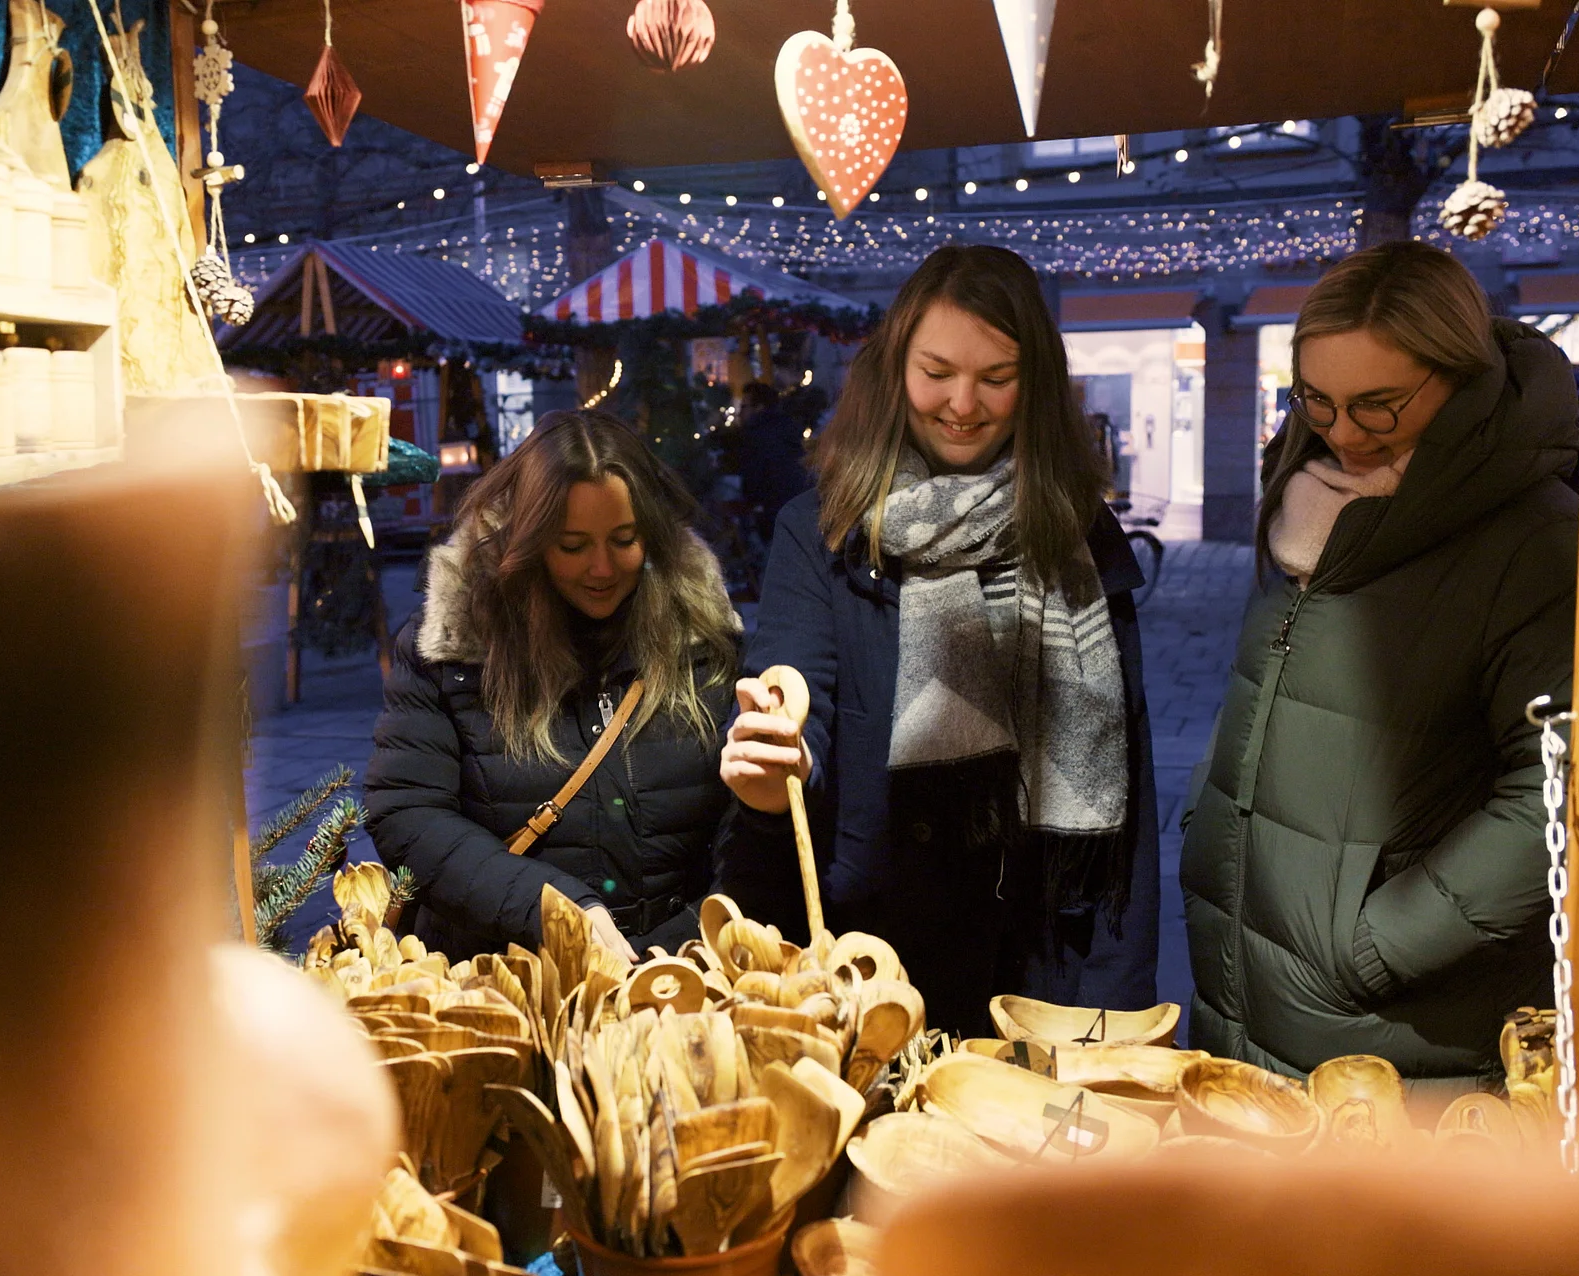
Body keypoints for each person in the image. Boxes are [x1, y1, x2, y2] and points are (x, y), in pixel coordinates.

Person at [715, 244, 1159, 1039]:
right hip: (871, 963)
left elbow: (1127, 799)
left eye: (997, 377)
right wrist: (781, 750)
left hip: (1039, 960)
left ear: (1037, 385)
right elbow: (795, 692)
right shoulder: (823, 530)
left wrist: (1117, 1021)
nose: (964, 403)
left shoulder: (1076, 537)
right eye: (937, 371)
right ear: (895, 370)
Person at [1180, 239, 1579, 1088]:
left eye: (1380, 406)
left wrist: (1370, 947)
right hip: (1252, 971)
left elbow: (1558, 784)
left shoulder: (1533, 537)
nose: (1344, 432)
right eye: (1316, 401)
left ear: (1460, 378)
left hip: (1395, 1021)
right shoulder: (1311, 494)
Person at [365, 410, 742, 961]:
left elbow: (748, 832)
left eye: (624, 539)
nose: (601, 568)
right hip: (508, 977)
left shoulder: (703, 642)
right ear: (528, 540)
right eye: (572, 545)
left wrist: (678, 945)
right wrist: (551, 908)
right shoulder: (454, 648)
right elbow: (407, 812)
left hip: (678, 980)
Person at [732, 380, 815, 546]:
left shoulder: (757, 436)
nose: (740, 413)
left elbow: (753, 482)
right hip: (799, 511)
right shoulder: (787, 428)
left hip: (774, 514)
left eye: (744, 407)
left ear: (759, 407)